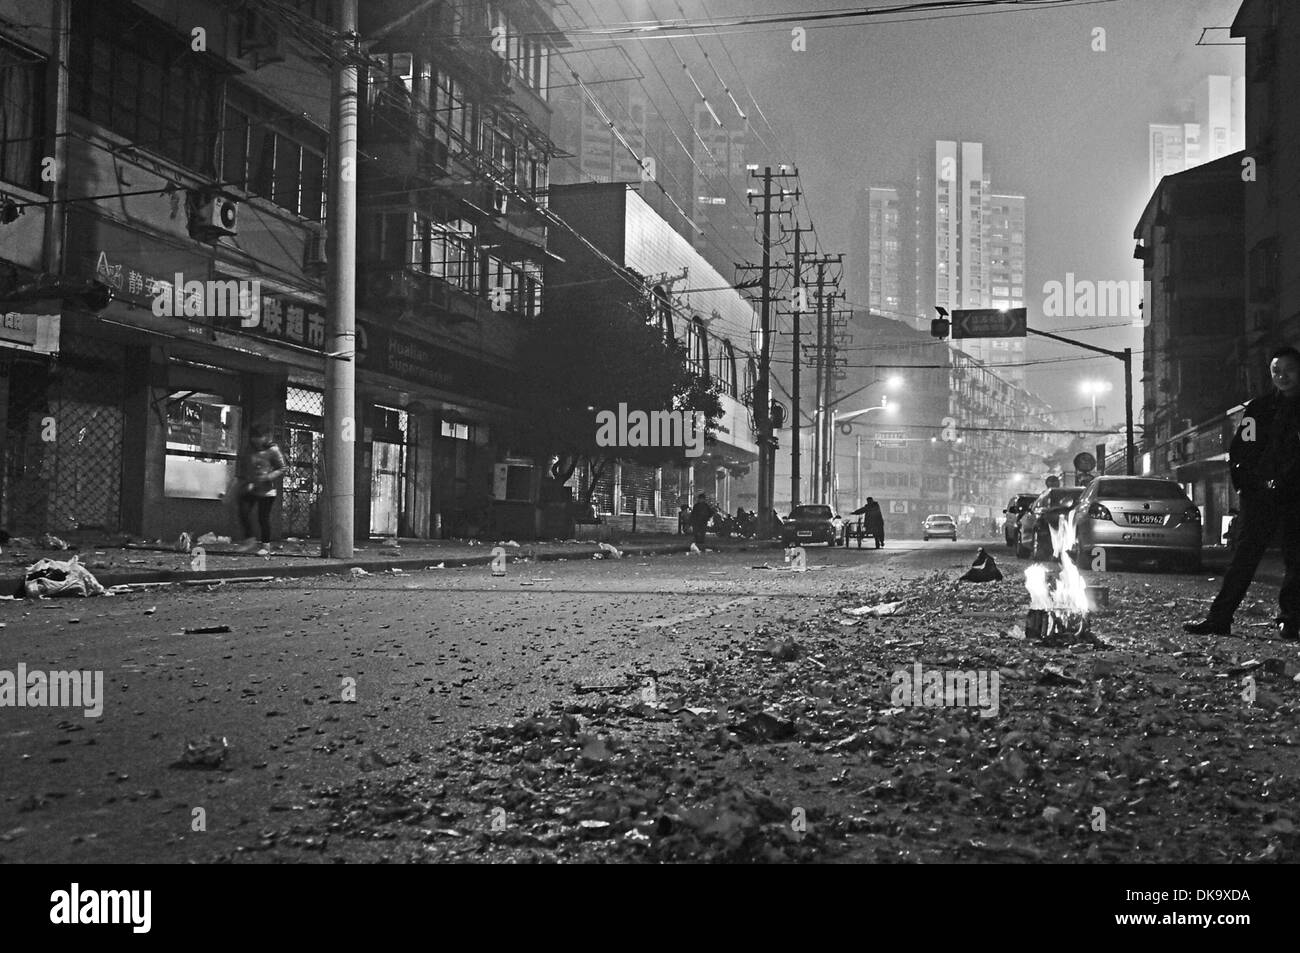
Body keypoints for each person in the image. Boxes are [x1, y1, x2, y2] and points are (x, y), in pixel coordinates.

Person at [1185, 346, 1300, 639]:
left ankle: (1291, 620)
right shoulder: (1259, 409)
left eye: (1288, 369)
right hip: (1260, 496)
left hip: (1295, 496)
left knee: (1296, 559)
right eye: (1276, 371)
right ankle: (1219, 618)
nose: (1282, 376)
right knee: (1243, 560)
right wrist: (1247, 486)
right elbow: (1240, 450)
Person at [237, 424, 286, 554]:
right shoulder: (250, 449)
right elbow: (247, 468)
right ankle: (249, 539)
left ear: (265, 437)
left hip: (267, 490)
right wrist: (247, 481)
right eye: (254, 437)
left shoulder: (273, 450)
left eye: (259, 437)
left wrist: (267, 477)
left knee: (263, 518)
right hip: (252, 487)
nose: (256, 440)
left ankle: (266, 546)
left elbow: (282, 467)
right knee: (243, 509)